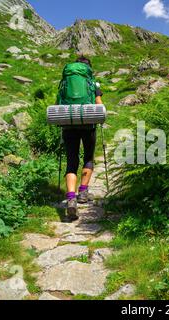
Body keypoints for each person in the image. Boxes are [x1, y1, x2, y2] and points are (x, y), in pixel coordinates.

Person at [56, 55, 103, 221]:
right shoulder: (93, 83)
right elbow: (99, 104)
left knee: (71, 161)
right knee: (88, 157)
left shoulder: (65, 81)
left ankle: (70, 198)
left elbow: (59, 102)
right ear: (89, 69)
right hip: (88, 124)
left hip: (68, 124)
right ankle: (83, 191)